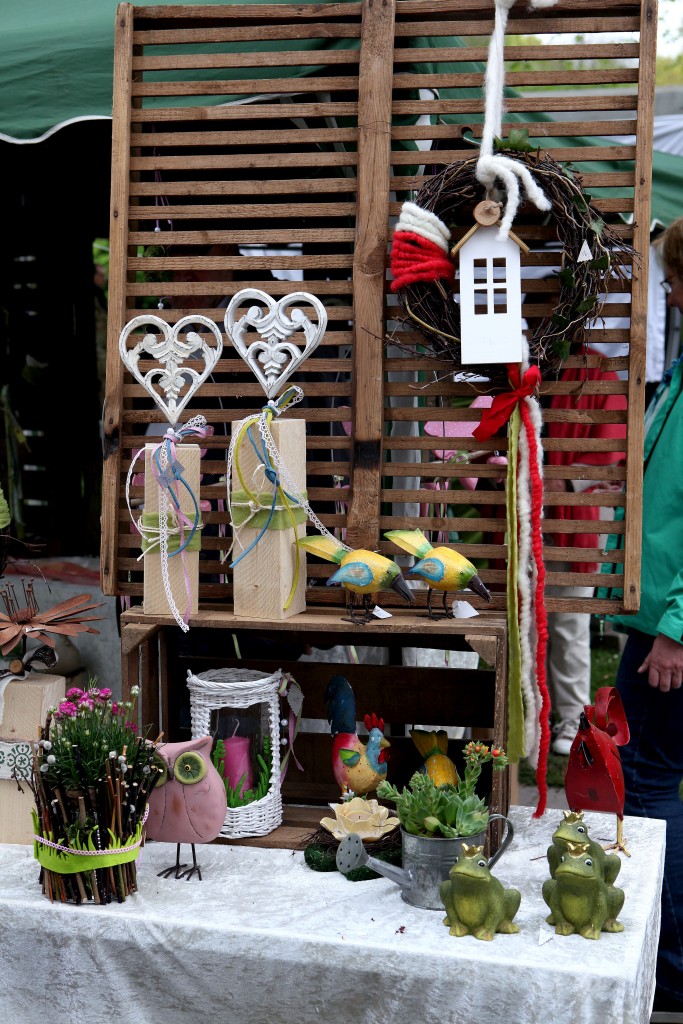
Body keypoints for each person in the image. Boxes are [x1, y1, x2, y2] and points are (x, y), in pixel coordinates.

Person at [607, 214, 683, 1014]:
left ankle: (667, 966)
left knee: (651, 782)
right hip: (653, 613)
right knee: (653, 776)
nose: (666, 288)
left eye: (672, 276)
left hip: (670, 627)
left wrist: (675, 629)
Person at [544, 350, 627, 755]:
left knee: (569, 624)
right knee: (523, 625)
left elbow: (612, 446)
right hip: (518, 512)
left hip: (576, 516)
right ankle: (530, 718)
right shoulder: (513, 366)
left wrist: (565, 482)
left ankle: (571, 721)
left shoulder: (596, 371)